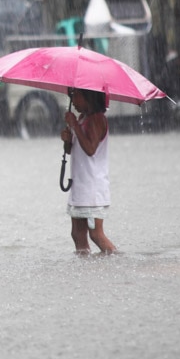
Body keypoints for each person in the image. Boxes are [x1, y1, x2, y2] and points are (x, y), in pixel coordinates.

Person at [60, 88, 116, 255]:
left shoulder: (97, 119)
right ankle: (85, 271)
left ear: (89, 97)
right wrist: (67, 141)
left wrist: (75, 125)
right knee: (77, 234)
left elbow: (91, 149)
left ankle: (119, 262)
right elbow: (74, 150)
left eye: (75, 96)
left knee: (96, 235)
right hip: (80, 186)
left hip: (93, 189)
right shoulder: (83, 118)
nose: (73, 101)